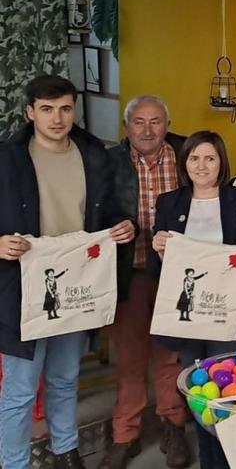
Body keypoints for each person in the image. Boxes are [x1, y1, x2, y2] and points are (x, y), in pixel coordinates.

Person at [0, 75, 135, 469]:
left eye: (64, 109)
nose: (57, 118)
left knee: (64, 378)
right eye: (46, 109)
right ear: (30, 112)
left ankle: (66, 450)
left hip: (77, 283)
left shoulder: (94, 154)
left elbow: (109, 210)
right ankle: (14, 463)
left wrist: (126, 225)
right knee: (21, 389)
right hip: (21, 286)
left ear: (74, 109)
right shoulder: (8, 158)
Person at [149, 131, 236, 469]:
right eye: (194, 158)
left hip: (230, 317)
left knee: (230, 394)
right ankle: (210, 462)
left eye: (210, 158)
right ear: (184, 163)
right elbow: (160, 270)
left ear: (221, 162)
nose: (201, 166)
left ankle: (233, 460)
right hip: (190, 320)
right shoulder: (169, 203)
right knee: (199, 394)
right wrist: (158, 248)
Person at [104, 94, 190, 469]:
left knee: (171, 355)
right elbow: (94, 210)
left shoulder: (189, 154)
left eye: (156, 121)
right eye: (139, 122)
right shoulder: (108, 162)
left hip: (178, 273)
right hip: (131, 271)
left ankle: (174, 426)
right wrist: (109, 228)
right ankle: (125, 435)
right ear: (127, 127)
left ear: (167, 125)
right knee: (130, 359)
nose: (147, 130)